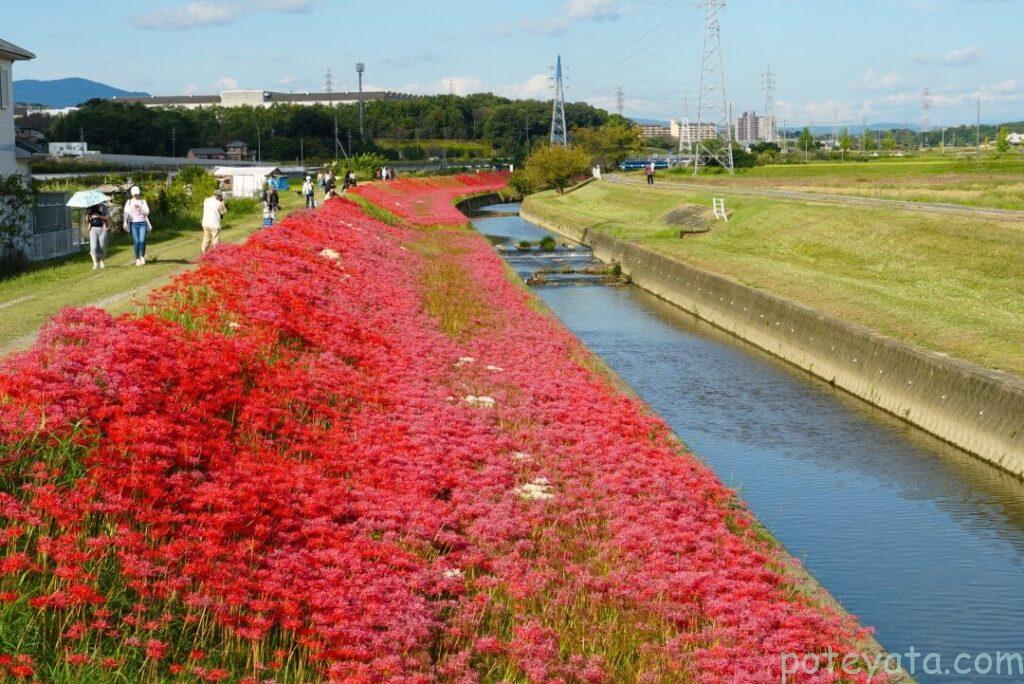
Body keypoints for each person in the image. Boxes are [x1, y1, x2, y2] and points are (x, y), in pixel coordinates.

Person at [123, 186, 151, 266]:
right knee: (137, 242)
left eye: (137, 194)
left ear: (139, 194)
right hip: (133, 224)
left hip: (142, 223)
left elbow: (147, 212)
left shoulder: (143, 201)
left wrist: (140, 208)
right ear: (132, 194)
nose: (136, 196)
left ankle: (142, 256)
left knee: (142, 241)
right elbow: (126, 213)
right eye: (134, 194)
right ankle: (137, 258)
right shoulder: (129, 202)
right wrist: (125, 222)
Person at [201, 189, 228, 254]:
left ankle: (203, 253)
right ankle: (215, 254)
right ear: (219, 196)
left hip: (205, 223)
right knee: (215, 240)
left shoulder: (206, 200)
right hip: (214, 224)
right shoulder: (219, 203)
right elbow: (223, 212)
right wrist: (223, 203)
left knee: (206, 239)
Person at [86, 203, 109, 270]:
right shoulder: (89, 207)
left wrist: (98, 216)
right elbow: (86, 220)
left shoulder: (103, 206)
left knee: (102, 246)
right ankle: (95, 263)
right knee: (93, 247)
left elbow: (107, 218)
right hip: (92, 229)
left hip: (102, 228)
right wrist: (88, 217)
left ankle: (102, 261)